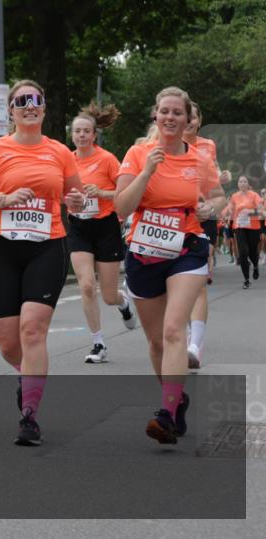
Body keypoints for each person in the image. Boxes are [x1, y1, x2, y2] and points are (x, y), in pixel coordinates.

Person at [0, 80, 85, 445]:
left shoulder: (60, 152)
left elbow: (74, 196)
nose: (30, 106)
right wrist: (4, 198)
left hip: (48, 245)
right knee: (8, 343)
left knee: (33, 329)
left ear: (44, 109)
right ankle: (27, 375)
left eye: (36, 100)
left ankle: (29, 417)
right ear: (11, 111)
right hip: (3, 247)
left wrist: (76, 203)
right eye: (22, 101)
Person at [114, 86, 225, 445]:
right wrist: (147, 171)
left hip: (187, 248)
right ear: (155, 115)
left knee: (174, 330)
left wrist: (211, 208)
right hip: (144, 253)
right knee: (157, 341)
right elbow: (121, 208)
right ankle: (177, 402)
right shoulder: (137, 154)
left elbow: (218, 196)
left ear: (188, 119)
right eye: (165, 111)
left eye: (178, 112)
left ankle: (165, 411)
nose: (171, 117)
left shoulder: (199, 159)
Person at [67, 102, 137, 364]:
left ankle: (123, 303)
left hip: (106, 225)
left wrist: (103, 193)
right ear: (72, 135)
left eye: (86, 131)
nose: (82, 135)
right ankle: (98, 343)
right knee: (86, 285)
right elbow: (60, 192)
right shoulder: (67, 160)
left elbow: (124, 193)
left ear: (94, 135)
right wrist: (69, 199)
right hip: (79, 227)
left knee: (108, 295)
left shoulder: (107, 159)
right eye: (77, 131)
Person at [181, 103, 230, 367]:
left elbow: (214, 179)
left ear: (199, 121)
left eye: (193, 117)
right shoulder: (162, 145)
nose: (188, 121)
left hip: (202, 214)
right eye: (184, 116)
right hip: (173, 218)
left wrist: (222, 178)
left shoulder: (207, 146)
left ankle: (194, 345)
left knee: (198, 279)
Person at [227, 175, 263, 290]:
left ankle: (255, 266)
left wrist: (250, 212)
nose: (242, 183)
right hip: (239, 227)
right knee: (243, 253)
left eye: (244, 181)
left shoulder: (255, 195)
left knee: (252, 253)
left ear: (248, 184)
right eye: (240, 181)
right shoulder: (234, 196)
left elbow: (261, 211)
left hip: (253, 227)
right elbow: (231, 210)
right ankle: (246, 280)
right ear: (238, 184)